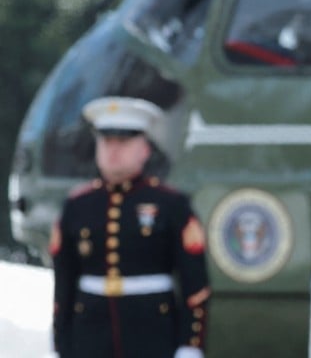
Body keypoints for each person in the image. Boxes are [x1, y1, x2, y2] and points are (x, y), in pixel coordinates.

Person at [50, 97, 210, 358]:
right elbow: (64, 284)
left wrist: (189, 345)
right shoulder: (77, 205)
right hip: (90, 335)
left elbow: (195, 284)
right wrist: (59, 345)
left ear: (144, 149)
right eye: (106, 142)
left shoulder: (170, 204)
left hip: (153, 335)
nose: (113, 150)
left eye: (123, 142)